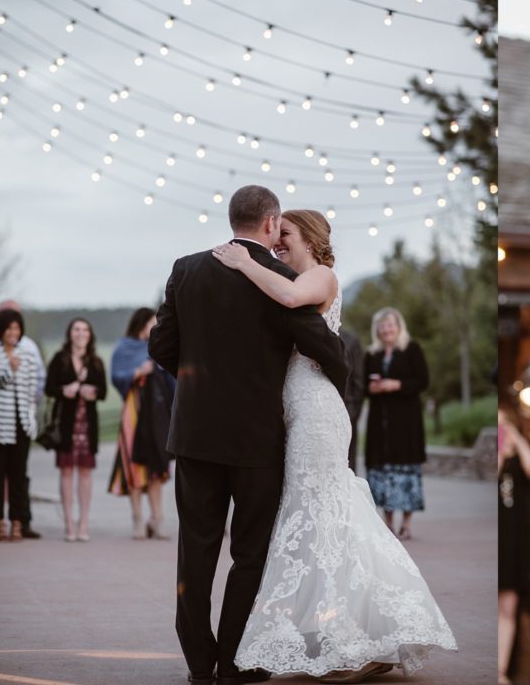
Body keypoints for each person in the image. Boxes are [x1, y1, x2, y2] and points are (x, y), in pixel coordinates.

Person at [211, 206, 456, 683]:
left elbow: (287, 294)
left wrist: (244, 262)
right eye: (275, 234)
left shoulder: (322, 277)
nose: (277, 241)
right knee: (322, 516)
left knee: (320, 514)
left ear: (309, 237)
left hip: (319, 414)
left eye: (284, 234)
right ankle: (349, 635)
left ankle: (349, 640)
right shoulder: (296, 275)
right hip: (296, 410)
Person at [148, 186, 351, 685]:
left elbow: (161, 346)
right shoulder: (280, 278)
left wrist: (201, 385)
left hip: (194, 433)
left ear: (232, 218)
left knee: (195, 550)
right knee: (250, 553)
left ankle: (199, 663)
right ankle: (235, 662)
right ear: (269, 222)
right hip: (257, 440)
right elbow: (319, 344)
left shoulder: (185, 269)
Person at [108, 307, 175, 539]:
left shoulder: (159, 347)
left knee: (157, 467)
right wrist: (137, 372)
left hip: (158, 413)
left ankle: (157, 520)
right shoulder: (124, 347)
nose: (155, 326)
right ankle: (137, 519)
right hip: (134, 411)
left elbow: (172, 378)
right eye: (151, 323)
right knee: (134, 467)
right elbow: (116, 376)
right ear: (141, 324)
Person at [363, 307, 429, 541]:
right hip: (380, 422)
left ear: (398, 327)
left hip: (406, 422)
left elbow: (423, 381)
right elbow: (363, 385)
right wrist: (372, 388)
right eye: (382, 326)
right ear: (377, 330)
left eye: (390, 325)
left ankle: (407, 523)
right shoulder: (372, 354)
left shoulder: (412, 349)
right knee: (383, 471)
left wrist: (397, 385)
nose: (386, 329)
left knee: (405, 471)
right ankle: (388, 522)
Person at [0, 299, 46, 538]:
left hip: (21, 423)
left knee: (19, 475)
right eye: (9, 328)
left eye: (17, 328)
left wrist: (31, 418)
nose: (13, 333)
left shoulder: (28, 355)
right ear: (0, 330)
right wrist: (8, 371)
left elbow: (33, 390)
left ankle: (18, 522)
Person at [45, 317, 107, 543]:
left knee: (85, 473)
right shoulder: (59, 360)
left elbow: (104, 393)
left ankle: (84, 523)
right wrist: (65, 390)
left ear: (90, 335)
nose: (81, 333)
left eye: (85, 330)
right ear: (70, 333)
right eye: (76, 329)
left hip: (87, 425)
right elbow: (49, 388)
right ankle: (69, 523)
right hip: (66, 425)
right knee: (66, 472)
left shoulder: (96, 362)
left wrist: (92, 391)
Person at [498, 405, 530, 685]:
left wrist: (516, 437)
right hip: (497, 539)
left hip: (514, 540)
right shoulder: (498, 461)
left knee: (509, 606)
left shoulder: (520, 461)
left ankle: (501, 670)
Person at [337, 326, 365, 471]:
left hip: (346, 412)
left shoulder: (351, 340)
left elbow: (358, 381)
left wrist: (352, 413)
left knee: (347, 465)